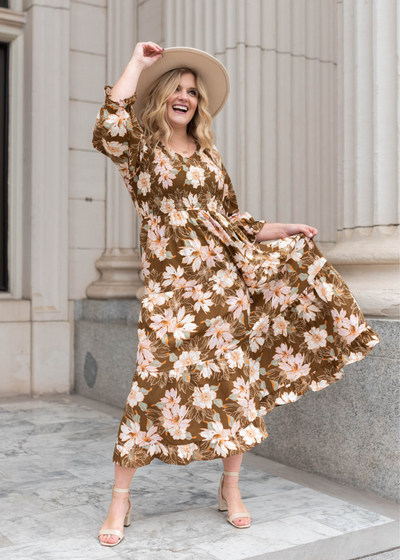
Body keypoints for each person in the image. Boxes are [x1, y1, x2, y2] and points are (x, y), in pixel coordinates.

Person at [92, 41, 380, 547]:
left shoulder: (209, 156)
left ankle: (230, 489)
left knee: (234, 387)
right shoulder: (140, 152)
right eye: (177, 90)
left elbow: (232, 221)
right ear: (160, 97)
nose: (186, 98)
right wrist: (137, 63)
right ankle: (121, 498)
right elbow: (110, 125)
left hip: (223, 290)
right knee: (152, 385)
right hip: (171, 294)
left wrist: (282, 227)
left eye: (193, 93)